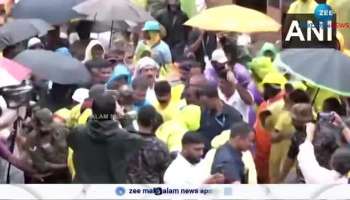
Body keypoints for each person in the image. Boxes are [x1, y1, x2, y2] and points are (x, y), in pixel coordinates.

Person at [67, 93, 144, 183]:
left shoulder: (78, 133)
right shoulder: (123, 138)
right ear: (114, 111)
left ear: (92, 110)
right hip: (110, 191)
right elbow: (138, 141)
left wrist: (94, 118)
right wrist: (124, 118)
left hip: (83, 190)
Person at [254, 72, 287, 183]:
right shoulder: (264, 105)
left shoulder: (284, 107)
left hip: (275, 159)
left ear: (271, 88)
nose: (263, 90)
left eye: (265, 87)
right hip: (260, 158)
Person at [127, 106, 171, 183]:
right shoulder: (160, 146)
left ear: (137, 121)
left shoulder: (127, 142)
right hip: (152, 191)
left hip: (129, 191)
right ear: (154, 121)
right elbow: (166, 175)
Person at [198, 83, 242, 153]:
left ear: (214, 98)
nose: (204, 106)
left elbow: (238, 137)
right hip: (209, 153)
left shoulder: (233, 115)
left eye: (206, 103)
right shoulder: (205, 113)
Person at [278, 103, 314, 183]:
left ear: (301, 121)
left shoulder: (297, 136)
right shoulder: (322, 129)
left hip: (306, 177)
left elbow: (289, 160)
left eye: (294, 120)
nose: (292, 122)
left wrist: (280, 179)